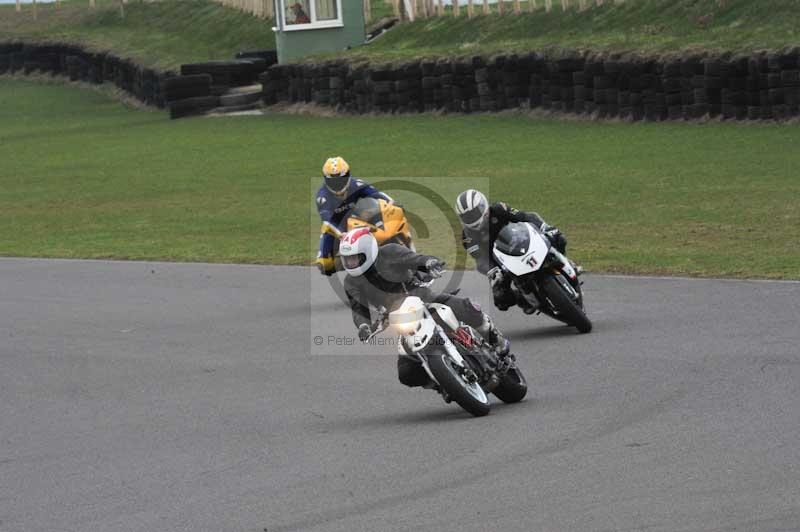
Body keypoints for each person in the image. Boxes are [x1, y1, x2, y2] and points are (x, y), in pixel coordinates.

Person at [339, 227, 510, 388]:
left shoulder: (389, 252)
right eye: (347, 259)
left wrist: (429, 262)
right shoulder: (351, 281)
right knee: (406, 373)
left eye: (354, 258)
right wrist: (363, 326)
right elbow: (358, 307)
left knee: (467, 308)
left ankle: (494, 336)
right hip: (398, 317)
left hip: (421, 296)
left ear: (368, 251)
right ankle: (443, 383)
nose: (351, 263)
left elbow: (413, 259)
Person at [454, 189, 573, 313]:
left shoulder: (499, 209)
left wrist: (545, 227)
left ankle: (566, 263)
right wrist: (493, 272)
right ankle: (523, 299)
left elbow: (525, 217)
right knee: (501, 299)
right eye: (467, 216)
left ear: (483, 206)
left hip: (518, 242)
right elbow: (481, 259)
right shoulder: (467, 237)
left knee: (559, 238)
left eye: (473, 213)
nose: (471, 218)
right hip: (499, 264)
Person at [315, 156, 392, 275]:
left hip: (358, 220)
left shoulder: (356, 185)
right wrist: (342, 235)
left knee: (373, 210)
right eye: (333, 181)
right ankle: (349, 264)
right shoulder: (322, 197)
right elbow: (327, 222)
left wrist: (392, 202)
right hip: (336, 229)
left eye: (340, 180)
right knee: (324, 265)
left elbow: (376, 194)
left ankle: (384, 251)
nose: (337, 184)